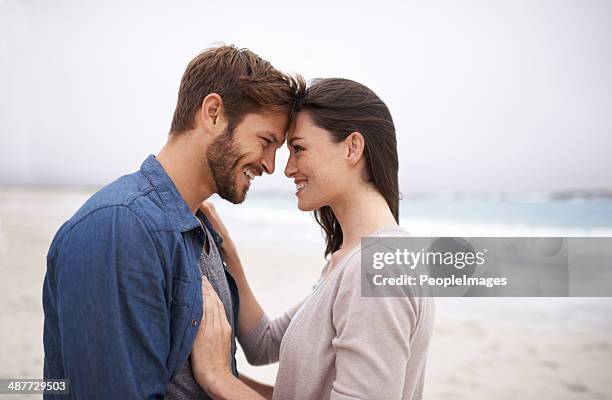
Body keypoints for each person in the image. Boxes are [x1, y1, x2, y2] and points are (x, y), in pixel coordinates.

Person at [42, 44, 303, 399]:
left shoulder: (200, 232)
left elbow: (198, 383)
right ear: (213, 113)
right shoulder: (121, 228)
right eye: (266, 141)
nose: (271, 165)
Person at [192, 78, 436, 400]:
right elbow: (264, 343)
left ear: (352, 148)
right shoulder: (350, 260)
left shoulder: (379, 268)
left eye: (298, 149)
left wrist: (220, 379)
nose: (288, 169)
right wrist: (231, 259)